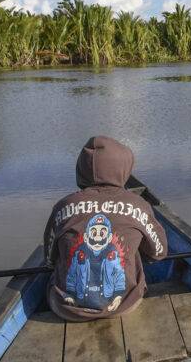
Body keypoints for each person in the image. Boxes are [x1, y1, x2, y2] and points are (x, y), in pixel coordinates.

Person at [43, 136, 168, 321]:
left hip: (67, 309)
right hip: (123, 305)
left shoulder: (63, 206)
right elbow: (159, 252)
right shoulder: (139, 205)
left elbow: (49, 260)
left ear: (81, 169)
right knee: (133, 250)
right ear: (124, 168)